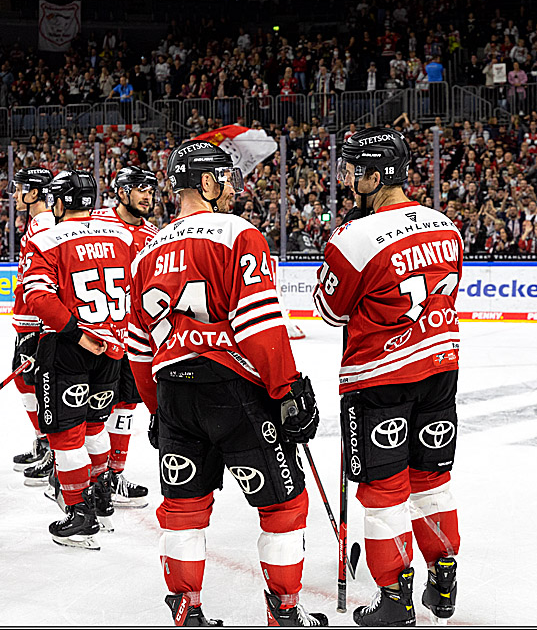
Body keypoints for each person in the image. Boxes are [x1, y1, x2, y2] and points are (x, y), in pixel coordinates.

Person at [127, 140, 326, 626]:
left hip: (174, 391)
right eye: (228, 179)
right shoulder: (239, 233)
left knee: (182, 507)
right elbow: (259, 325)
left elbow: (136, 349)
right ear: (210, 183)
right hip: (235, 391)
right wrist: (287, 390)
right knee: (283, 504)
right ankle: (284, 610)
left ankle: (186, 608)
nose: (234, 188)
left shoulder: (145, 251)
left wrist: (156, 410)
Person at [313, 127, 463, 626]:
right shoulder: (446, 225)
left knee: (385, 489)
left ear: (377, 176)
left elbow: (331, 310)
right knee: (432, 479)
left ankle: (394, 597)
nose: (348, 179)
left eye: (355, 170)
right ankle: (444, 576)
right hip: (440, 368)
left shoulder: (353, 236)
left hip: (379, 378)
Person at [22, 170, 134, 549]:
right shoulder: (119, 234)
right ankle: (101, 495)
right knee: (94, 426)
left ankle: (80, 513)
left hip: (71, 347)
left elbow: (38, 298)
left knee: (66, 435)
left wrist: (78, 334)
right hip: (113, 349)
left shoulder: (46, 238)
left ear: (58, 201)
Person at [89, 165, 160, 508]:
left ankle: (113, 475)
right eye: (140, 188)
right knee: (91, 410)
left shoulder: (155, 235)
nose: (148, 195)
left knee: (126, 406)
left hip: (133, 337)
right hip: (96, 335)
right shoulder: (95, 222)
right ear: (121, 191)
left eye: (151, 189)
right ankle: (82, 473)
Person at [9, 168, 57, 486]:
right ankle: (44, 442)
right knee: (25, 383)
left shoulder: (47, 226)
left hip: (37, 323)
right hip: (26, 320)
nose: (15, 195)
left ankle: (53, 452)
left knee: (43, 388)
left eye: (20, 189)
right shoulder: (35, 223)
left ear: (34, 193)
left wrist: (43, 326)